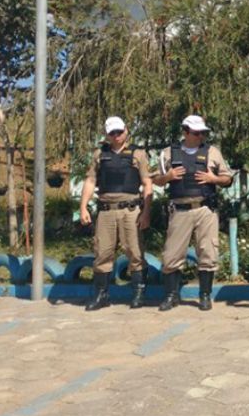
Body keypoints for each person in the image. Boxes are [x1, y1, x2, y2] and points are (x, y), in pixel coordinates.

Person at [153, 115, 233, 312]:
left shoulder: (212, 152)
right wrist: (168, 176)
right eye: (197, 133)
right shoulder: (169, 153)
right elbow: (155, 179)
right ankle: (172, 295)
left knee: (208, 252)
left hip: (205, 209)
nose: (201, 136)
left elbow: (228, 178)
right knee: (172, 254)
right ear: (185, 131)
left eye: (203, 133)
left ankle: (205, 295)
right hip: (180, 210)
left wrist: (213, 179)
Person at [78, 116, 153, 311]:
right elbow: (90, 181)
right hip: (106, 211)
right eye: (112, 133)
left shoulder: (138, 154)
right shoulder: (99, 155)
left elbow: (147, 183)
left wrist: (146, 212)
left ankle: (138, 294)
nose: (117, 136)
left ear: (126, 130)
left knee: (135, 252)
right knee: (102, 253)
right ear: (107, 134)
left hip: (130, 210)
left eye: (119, 132)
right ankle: (101, 295)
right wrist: (83, 207)